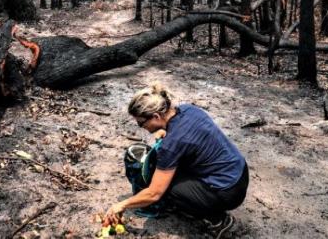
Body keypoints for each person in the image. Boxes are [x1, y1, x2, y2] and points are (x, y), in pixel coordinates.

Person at [105, 84, 249, 238]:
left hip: (228, 192)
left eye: (141, 123)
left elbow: (154, 193)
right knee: (170, 172)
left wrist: (121, 205)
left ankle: (220, 221)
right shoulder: (188, 110)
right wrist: (164, 130)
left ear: (156, 117)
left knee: (167, 188)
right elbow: (185, 133)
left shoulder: (171, 146)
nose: (141, 127)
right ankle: (201, 200)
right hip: (240, 172)